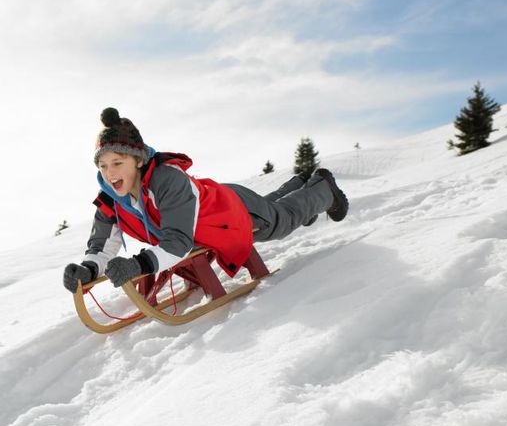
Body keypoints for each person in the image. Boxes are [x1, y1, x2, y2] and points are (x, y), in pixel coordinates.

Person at [63, 107, 348, 292]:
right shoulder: (110, 200)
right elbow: (102, 244)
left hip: (230, 210)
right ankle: (297, 184)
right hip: (207, 214)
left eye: (117, 162)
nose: (110, 173)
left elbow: (177, 243)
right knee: (273, 209)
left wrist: (139, 266)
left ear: (137, 160)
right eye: (103, 166)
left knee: (280, 221)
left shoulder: (167, 180)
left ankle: (323, 188)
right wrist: (87, 270)